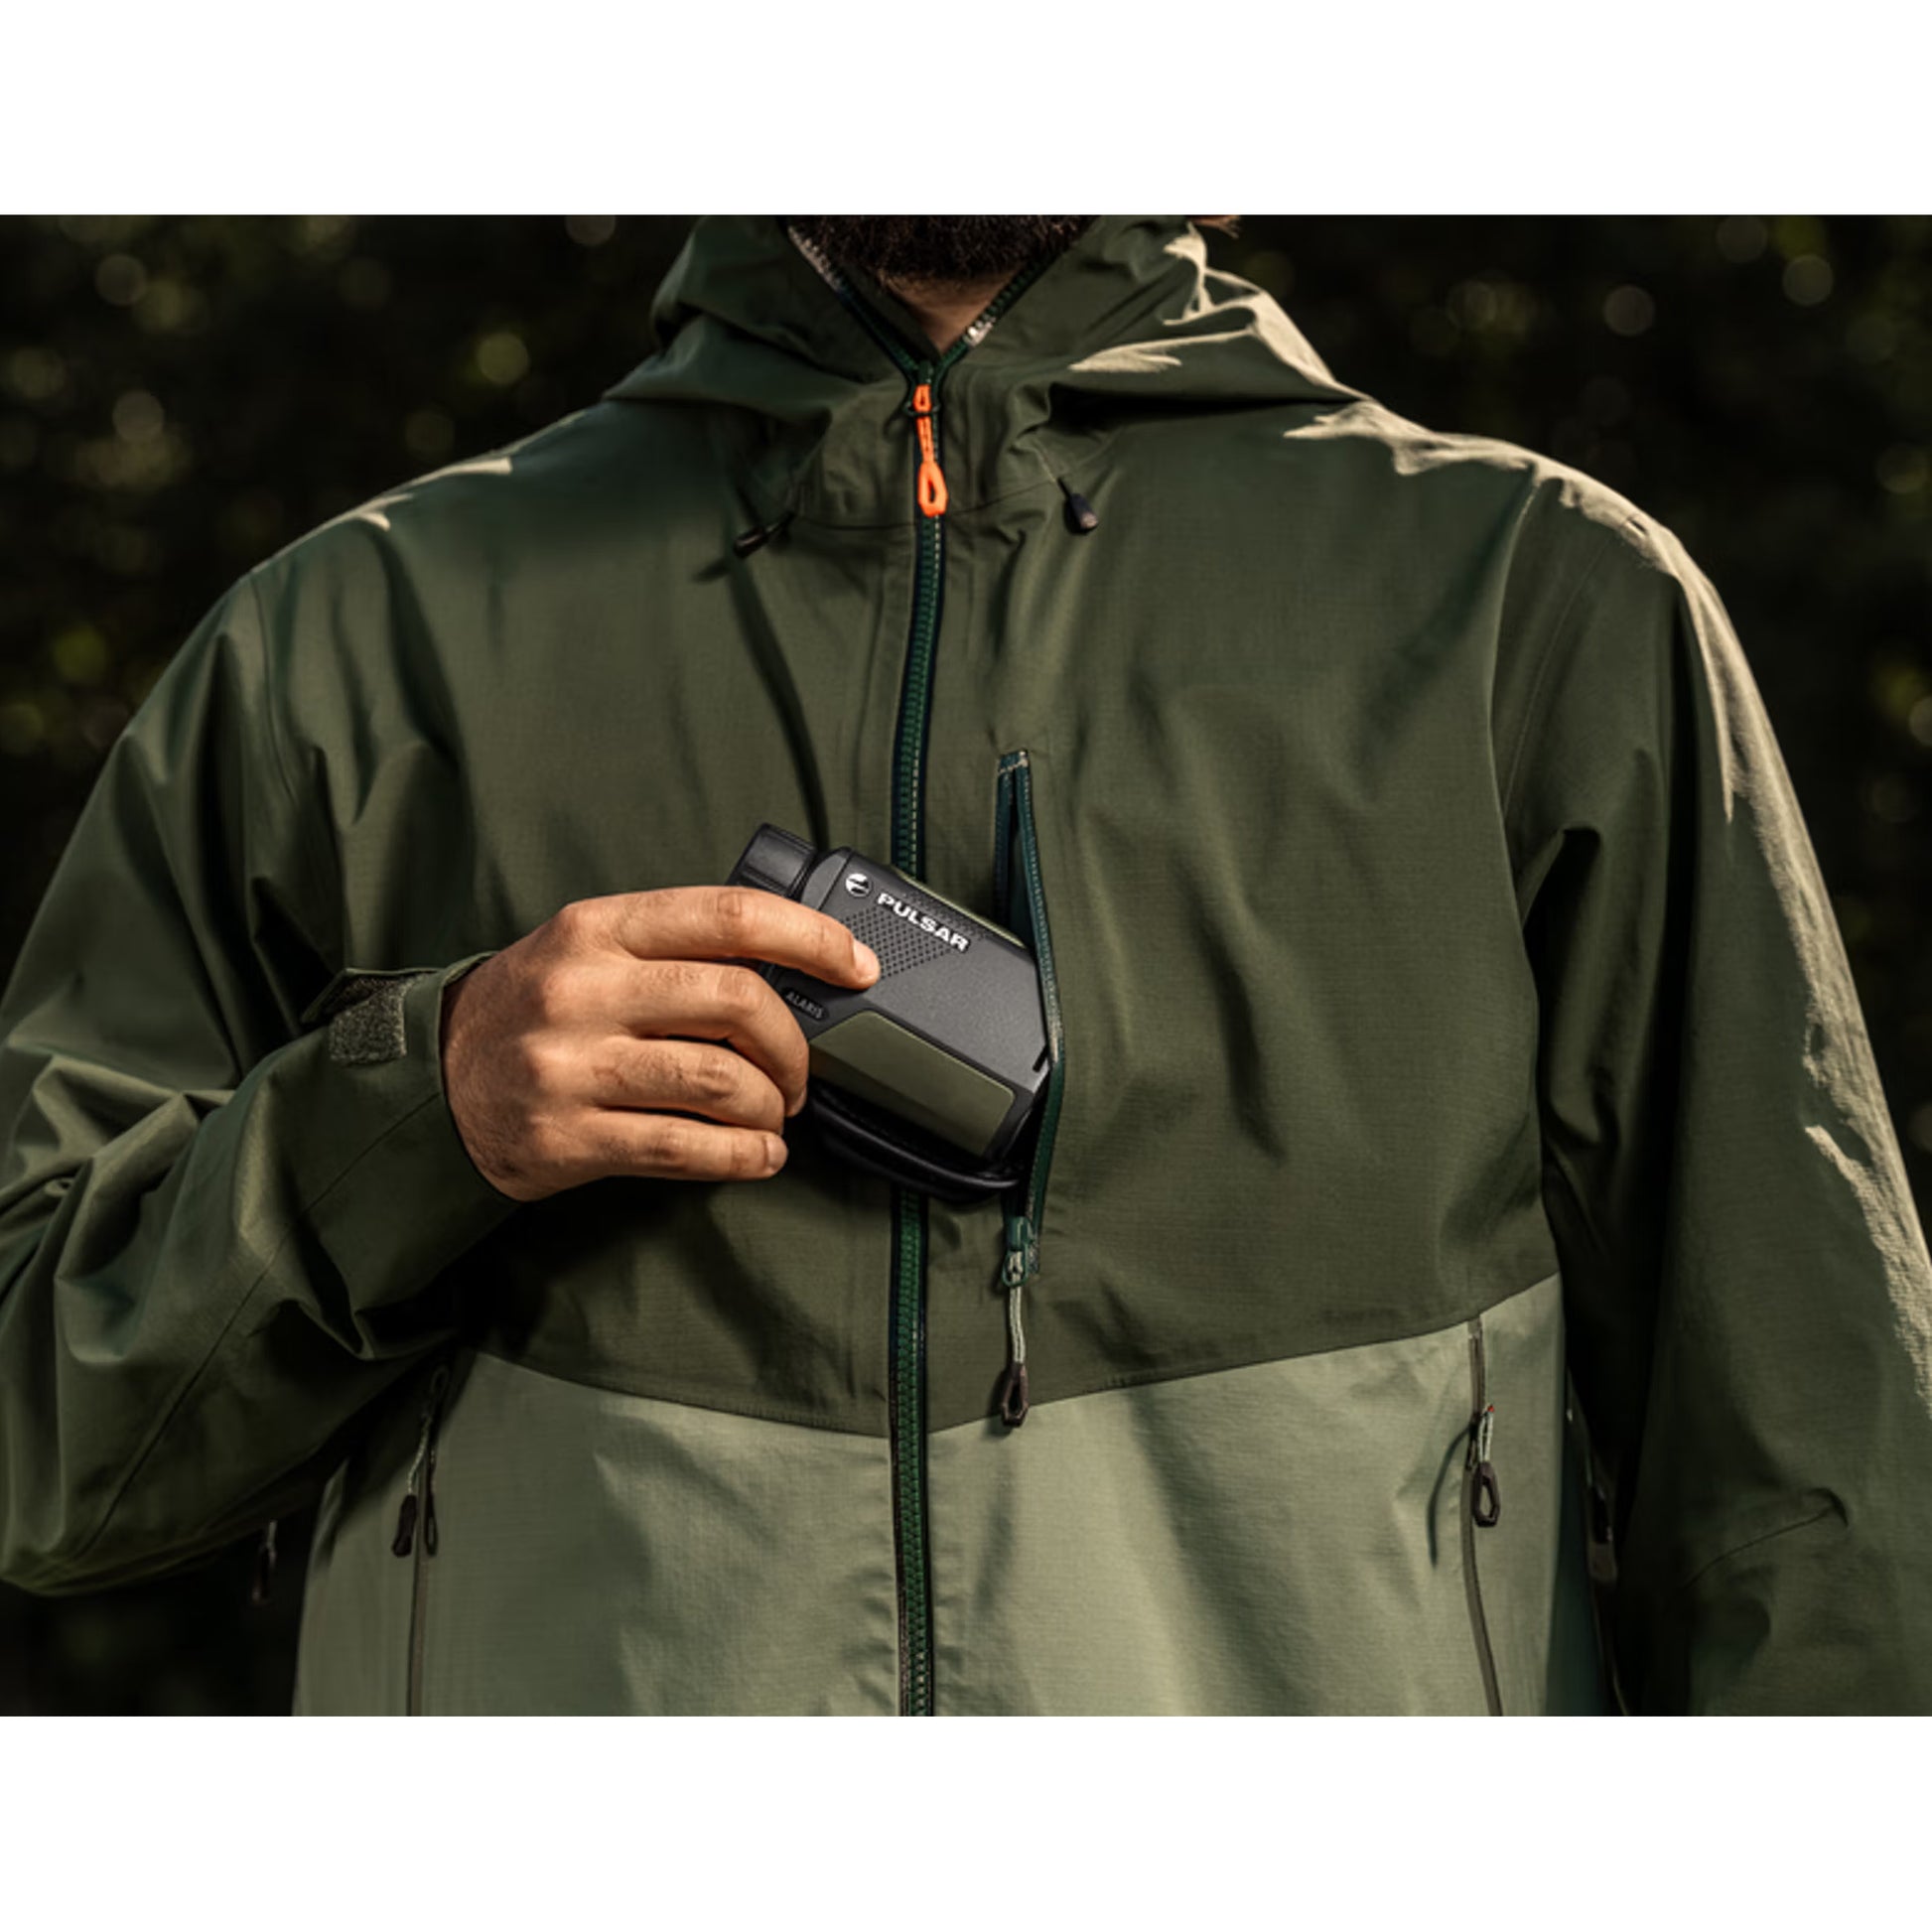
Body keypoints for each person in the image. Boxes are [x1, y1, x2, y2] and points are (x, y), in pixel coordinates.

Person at [1, 214, 1928, 1716]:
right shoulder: (345, 654)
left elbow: (1817, 1505)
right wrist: (415, 1118)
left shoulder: (1533, 609)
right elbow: (41, 1439)